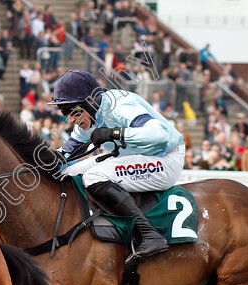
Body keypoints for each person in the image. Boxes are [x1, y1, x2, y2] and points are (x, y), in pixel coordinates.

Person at [51, 69, 185, 264]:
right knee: (67, 173)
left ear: (91, 101)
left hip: (165, 158)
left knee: (94, 177)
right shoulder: (86, 119)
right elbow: (65, 156)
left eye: (73, 111)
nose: (70, 119)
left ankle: (149, 234)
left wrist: (114, 133)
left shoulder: (121, 105)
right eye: (64, 112)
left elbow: (160, 134)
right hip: (133, 159)